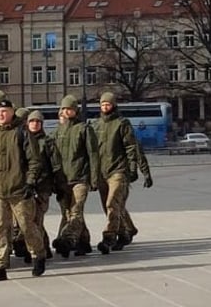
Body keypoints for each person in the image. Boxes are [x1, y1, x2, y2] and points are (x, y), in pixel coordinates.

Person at [0, 99, 46, 281]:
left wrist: (30, 182)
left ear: (12, 112)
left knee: (27, 226)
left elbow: (34, 161)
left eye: (6, 111)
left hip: (19, 189)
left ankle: (38, 254)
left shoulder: (22, 134)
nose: (2, 114)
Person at [52, 95, 99, 258]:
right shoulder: (57, 131)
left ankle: (67, 239)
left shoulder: (84, 129)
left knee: (76, 210)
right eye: (64, 108)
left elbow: (93, 154)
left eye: (70, 109)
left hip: (80, 177)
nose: (67, 111)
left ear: (75, 111)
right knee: (67, 212)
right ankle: (83, 242)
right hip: (63, 180)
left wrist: (94, 178)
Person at [93, 92, 140, 253]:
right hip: (101, 172)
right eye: (103, 104)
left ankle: (109, 237)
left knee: (112, 203)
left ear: (113, 105)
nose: (105, 107)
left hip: (118, 170)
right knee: (111, 206)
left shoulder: (122, 123)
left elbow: (130, 146)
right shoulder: (96, 125)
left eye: (108, 104)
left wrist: (132, 167)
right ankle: (127, 230)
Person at [25, 110, 61, 262]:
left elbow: (56, 165)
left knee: (37, 219)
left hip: (42, 187)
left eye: (38, 122)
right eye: (32, 121)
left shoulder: (47, 142)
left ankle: (40, 250)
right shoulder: (23, 141)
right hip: (26, 186)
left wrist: (57, 185)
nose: (34, 124)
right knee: (30, 220)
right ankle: (42, 247)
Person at [120, 138, 153, 245]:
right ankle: (129, 228)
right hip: (108, 175)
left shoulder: (130, 137)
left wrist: (146, 174)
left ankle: (124, 231)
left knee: (116, 204)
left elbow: (140, 156)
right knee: (116, 205)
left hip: (123, 175)